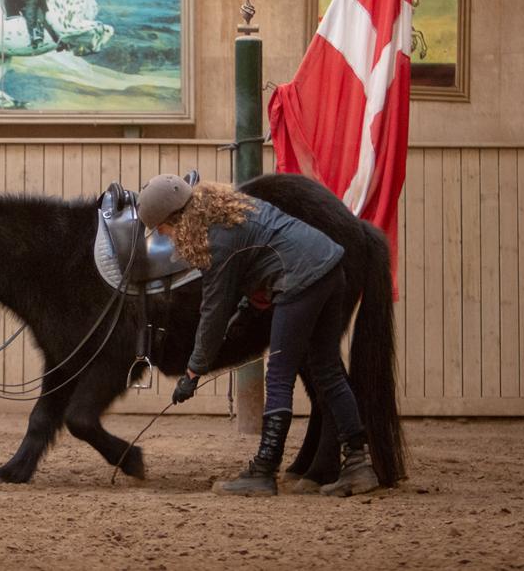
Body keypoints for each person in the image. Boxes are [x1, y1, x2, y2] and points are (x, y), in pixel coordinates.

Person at [137, 174, 380, 497]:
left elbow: (213, 314)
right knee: (328, 372)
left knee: (278, 376)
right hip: (330, 269)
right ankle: (358, 466)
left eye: (162, 228)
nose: (164, 235)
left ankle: (264, 471)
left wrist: (193, 372)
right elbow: (261, 258)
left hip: (300, 282)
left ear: (175, 218)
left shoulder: (216, 240)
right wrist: (248, 307)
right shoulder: (231, 209)